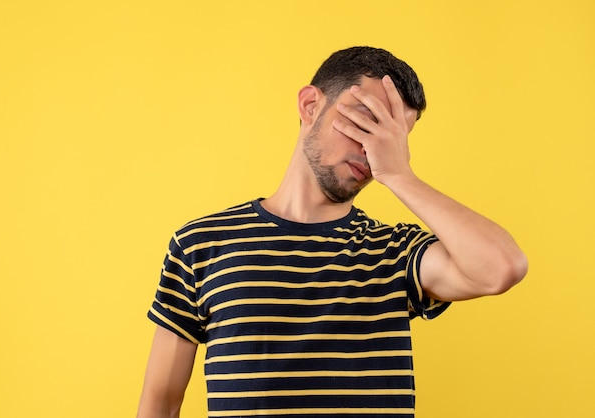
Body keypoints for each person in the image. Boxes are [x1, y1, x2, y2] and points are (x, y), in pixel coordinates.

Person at [136, 46, 528, 418]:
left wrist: (398, 174)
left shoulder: (395, 253)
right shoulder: (203, 244)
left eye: (392, 139)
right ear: (311, 105)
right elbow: (160, 403)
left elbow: (501, 268)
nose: (371, 149)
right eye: (364, 121)